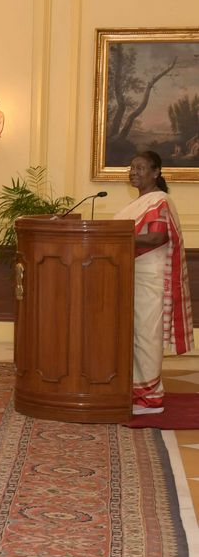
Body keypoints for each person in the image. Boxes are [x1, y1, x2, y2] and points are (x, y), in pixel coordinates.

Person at [114, 150, 193, 415]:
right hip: (133, 276)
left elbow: (157, 238)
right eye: (131, 168)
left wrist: (117, 237)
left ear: (156, 172)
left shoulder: (159, 200)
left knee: (147, 337)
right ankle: (135, 391)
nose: (133, 172)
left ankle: (150, 399)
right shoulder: (138, 203)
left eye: (140, 168)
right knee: (135, 335)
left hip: (151, 279)